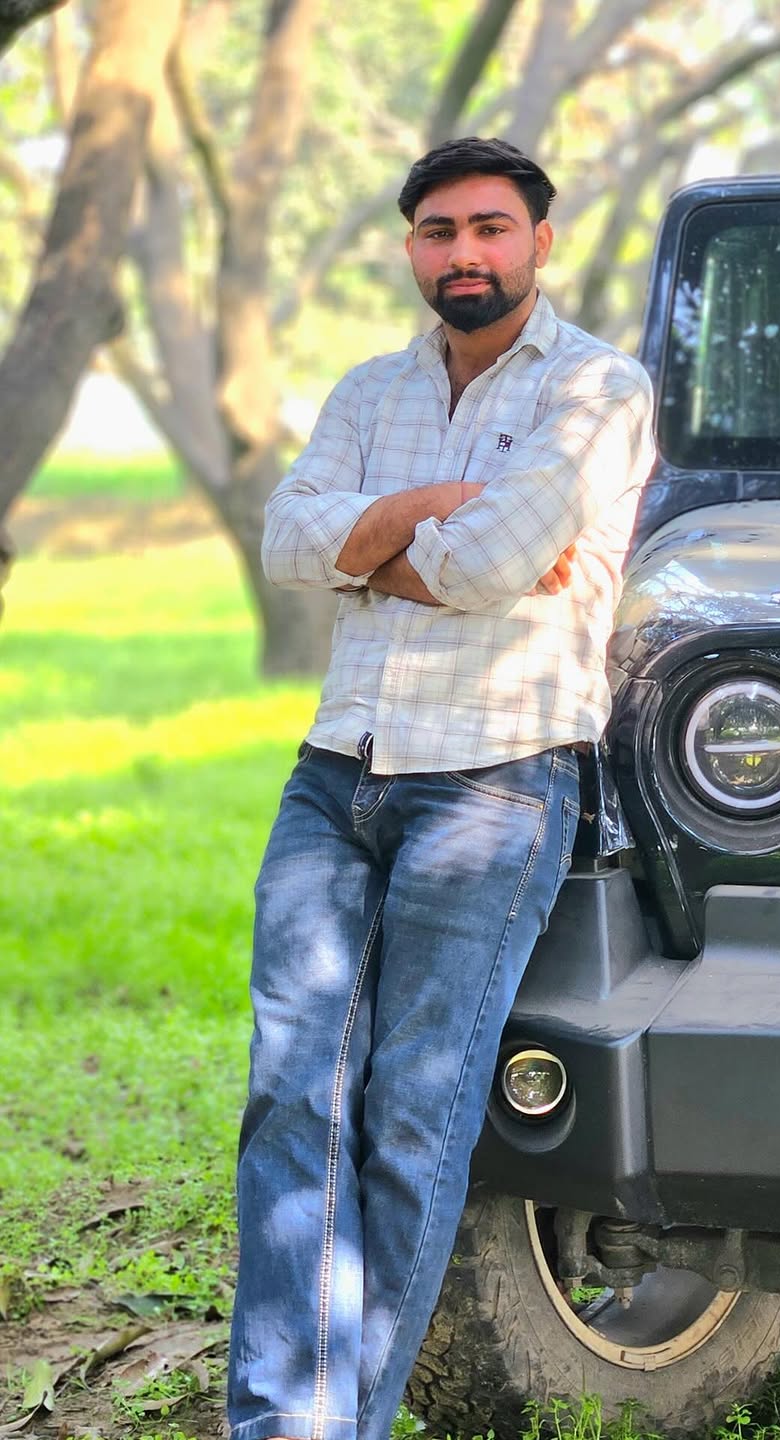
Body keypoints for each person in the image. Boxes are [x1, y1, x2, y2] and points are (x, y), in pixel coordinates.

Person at [226, 136, 655, 1440]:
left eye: (489, 227)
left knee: (413, 1118)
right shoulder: (370, 390)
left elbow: (488, 562)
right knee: (291, 1101)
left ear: (538, 242)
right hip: (337, 776)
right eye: (438, 231)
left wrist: (370, 541)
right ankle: (284, 1424)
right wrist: (438, 506)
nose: (464, 252)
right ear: (413, 248)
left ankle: (334, 1426)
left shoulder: (598, 388)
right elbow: (287, 537)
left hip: (495, 783)